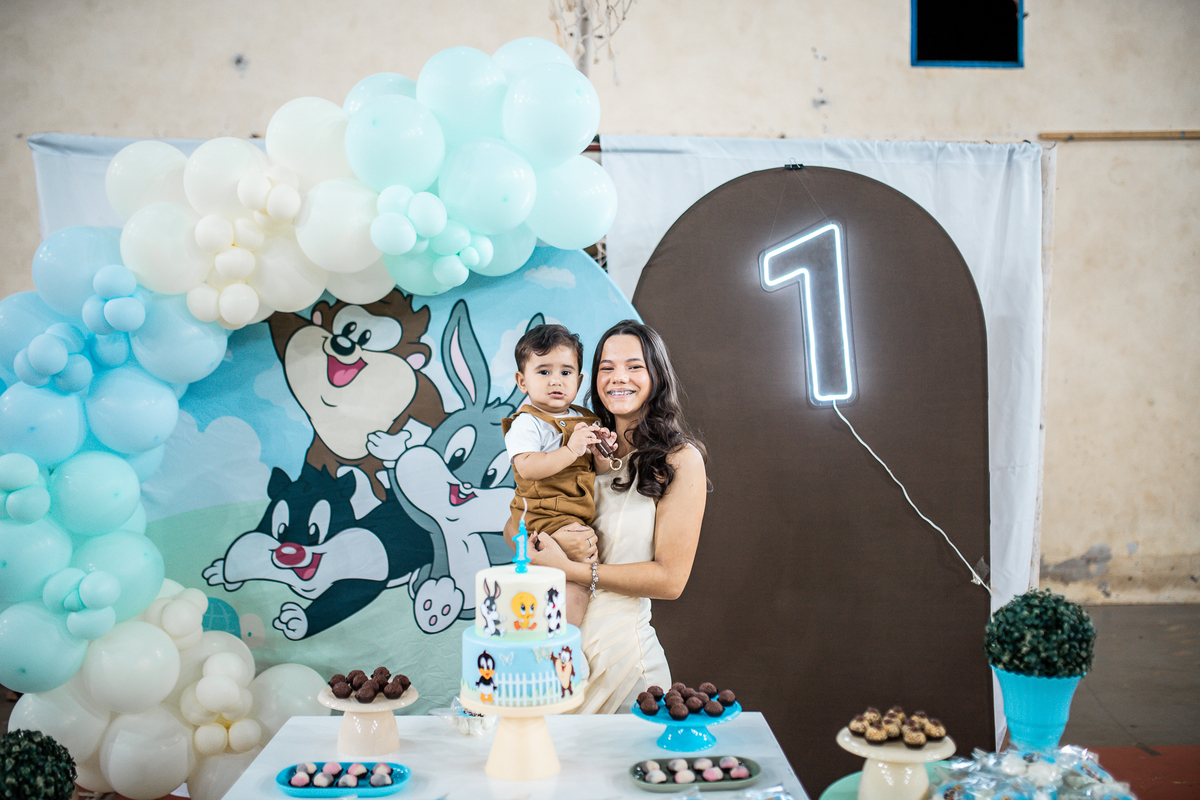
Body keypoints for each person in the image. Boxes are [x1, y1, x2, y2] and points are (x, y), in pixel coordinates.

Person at [513, 319, 708, 714]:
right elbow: (515, 523)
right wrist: (545, 543)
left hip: (624, 666)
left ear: (656, 375)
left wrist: (571, 568)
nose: (619, 377)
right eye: (607, 367)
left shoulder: (679, 460)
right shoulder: (572, 444)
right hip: (551, 663)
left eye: (634, 366)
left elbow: (670, 580)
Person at [502, 323, 617, 626]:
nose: (556, 380)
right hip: (543, 514)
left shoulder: (585, 418)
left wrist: (602, 454)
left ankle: (560, 633)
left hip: (575, 513)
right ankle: (559, 636)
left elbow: (598, 470)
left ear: (578, 380)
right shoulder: (527, 423)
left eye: (566, 372)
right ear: (522, 381)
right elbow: (527, 467)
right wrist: (571, 449)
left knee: (572, 579)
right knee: (574, 570)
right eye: (543, 372)